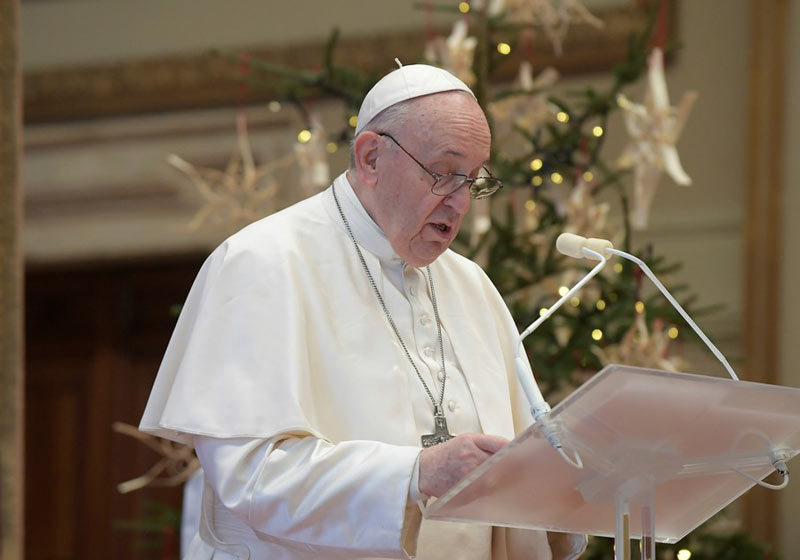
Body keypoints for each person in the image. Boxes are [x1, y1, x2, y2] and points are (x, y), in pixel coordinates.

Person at [140, 63, 586, 559]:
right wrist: (415, 473)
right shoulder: (263, 262)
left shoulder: (472, 286)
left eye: (474, 181)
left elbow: (524, 467)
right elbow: (250, 475)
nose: (462, 204)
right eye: (443, 175)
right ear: (371, 156)